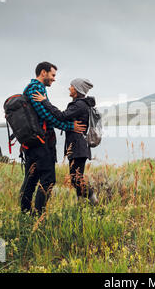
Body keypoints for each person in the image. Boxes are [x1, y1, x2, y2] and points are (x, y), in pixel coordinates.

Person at [20, 62, 87, 216]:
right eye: (53, 75)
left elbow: (45, 115)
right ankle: (37, 216)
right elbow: (47, 116)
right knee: (48, 179)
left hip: (32, 142)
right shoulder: (36, 88)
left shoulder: (31, 89)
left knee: (31, 177)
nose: (54, 79)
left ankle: (25, 214)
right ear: (43, 73)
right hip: (40, 142)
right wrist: (70, 126)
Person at [32, 78, 98, 205]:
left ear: (77, 89)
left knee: (75, 179)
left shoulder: (79, 105)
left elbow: (61, 116)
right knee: (77, 178)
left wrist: (44, 102)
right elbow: (64, 118)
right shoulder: (81, 104)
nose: (69, 88)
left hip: (78, 146)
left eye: (71, 86)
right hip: (79, 146)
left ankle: (92, 199)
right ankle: (81, 204)